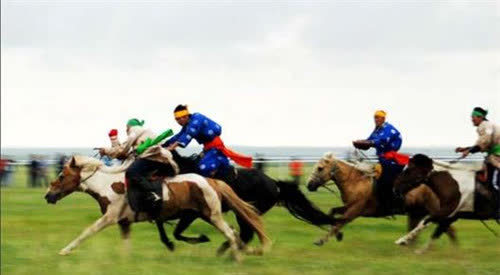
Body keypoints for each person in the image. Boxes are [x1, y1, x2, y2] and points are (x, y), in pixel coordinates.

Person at [99, 119, 175, 218]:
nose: (126, 131)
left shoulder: (134, 131)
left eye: (126, 128)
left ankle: (152, 194)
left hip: (154, 158)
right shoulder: (141, 133)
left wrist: (105, 150)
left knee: (131, 172)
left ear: (130, 127)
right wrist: (114, 141)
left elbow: (123, 150)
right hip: (156, 157)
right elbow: (124, 151)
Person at [163, 105, 252, 180]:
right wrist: (162, 145)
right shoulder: (187, 125)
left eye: (180, 118)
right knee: (194, 165)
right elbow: (178, 136)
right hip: (208, 149)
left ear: (186, 116)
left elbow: (189, 133)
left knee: (203, 167)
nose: (179, 121)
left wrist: (173, 146)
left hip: (215, 148)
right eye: (177, 119)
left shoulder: (197, 118)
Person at [353, 110, 408, 214]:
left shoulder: (388, 129)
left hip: (390, 159)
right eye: (375, 118)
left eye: (378, 117)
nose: (376, 119)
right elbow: (369, 141)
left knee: (384, 181)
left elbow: (381, 141)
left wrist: (368, 142)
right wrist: (361, 143)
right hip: (383, 159)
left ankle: (394, 203)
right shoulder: (377, 130)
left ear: (383, 118)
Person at [456, 107, 500, 220]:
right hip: (493, 157)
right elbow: (483, 144)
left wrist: (469, 151)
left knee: (495, 183)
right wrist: (466, 149)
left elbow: (485, 142)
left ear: (480, 117)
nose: (472, 119)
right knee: (486, 182)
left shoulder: (485, 126)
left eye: (473, 117)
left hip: (497, 158)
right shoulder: (485, 126)